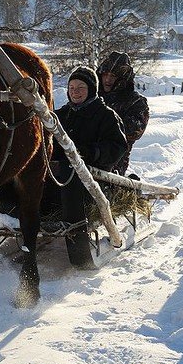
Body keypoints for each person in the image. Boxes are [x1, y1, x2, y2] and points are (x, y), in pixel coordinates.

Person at [46, 66, 128, 267]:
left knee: (70, 172)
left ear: (92, 89)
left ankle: (79, 247)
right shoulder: (60, 115)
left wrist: (91, 153)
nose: (75, 91)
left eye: (81, 87)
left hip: (94, 180)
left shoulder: (105, 115)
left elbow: (118, 146)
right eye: (72, 87)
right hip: (59, 178)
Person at [96, 51, 149, 176]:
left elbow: (133, 131)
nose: (108, 79)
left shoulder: (135, 102)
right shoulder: (92, 96)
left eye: (113, 76)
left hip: (113, 161)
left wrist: (100, 124)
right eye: (105, 74)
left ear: (122, 79)